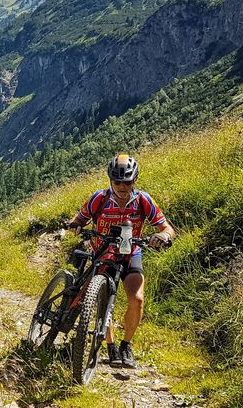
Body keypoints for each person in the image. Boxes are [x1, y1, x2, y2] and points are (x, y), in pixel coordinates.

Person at [67, 154, 175, 369]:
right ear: (110, 181)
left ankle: (126, 345)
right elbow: (79, 218)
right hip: (104, 255)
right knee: (103, 299)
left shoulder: (143, 200)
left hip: (130, 254)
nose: (122, 186)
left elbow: (167, 228)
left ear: (135, 180)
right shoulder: (99, 198)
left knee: (137, 299)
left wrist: (163, 236)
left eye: (127, 182)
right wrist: (75, 225)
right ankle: (110, 345)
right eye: (117, 182)